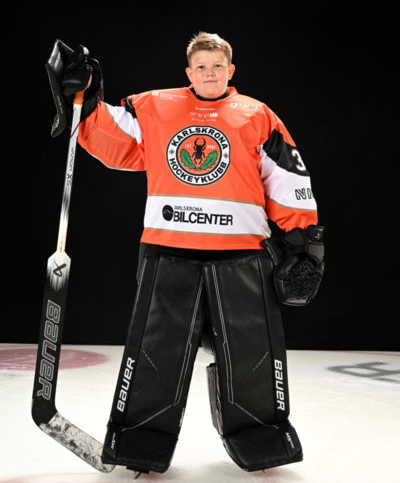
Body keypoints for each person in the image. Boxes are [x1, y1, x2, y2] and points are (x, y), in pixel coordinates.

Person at [47, 32, 324, 475]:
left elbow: (286, 175)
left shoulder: (257, 114)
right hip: (167, 251)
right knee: (155, 352)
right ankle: (140, 441)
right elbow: (111, 137)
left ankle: (262, 436)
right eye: (201, 67)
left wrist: (302, 240)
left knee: (251, 354)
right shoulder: (154, 105)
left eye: (217, 66)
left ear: (230, 70)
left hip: (241, 253)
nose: (209, 74)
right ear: (188, 72)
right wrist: (85, 97)